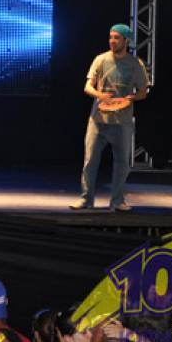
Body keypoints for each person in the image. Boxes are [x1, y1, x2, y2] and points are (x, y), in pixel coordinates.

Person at [71, 24, 149, 211]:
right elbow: (87, 86)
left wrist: (130, 98)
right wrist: (99, 95)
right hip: (98, 120)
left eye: (116, 38)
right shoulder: (101, 59)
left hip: (122, 121)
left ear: (126, 41)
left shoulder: (135, 64)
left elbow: (143, 91)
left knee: (122, 163)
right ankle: (86, 199)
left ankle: (117, 201)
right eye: (111, 37)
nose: (112, 41)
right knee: (90, 161)